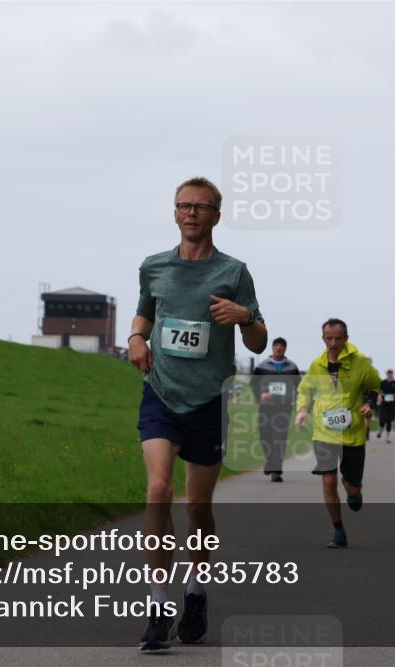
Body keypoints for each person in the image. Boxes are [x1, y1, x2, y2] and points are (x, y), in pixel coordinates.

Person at [129, 176, 267, 651]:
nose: (191, 213)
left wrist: (244, 317)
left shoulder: (234, 271)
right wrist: (134, 339)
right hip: (161, 396)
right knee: (158, 489)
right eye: (183, 206)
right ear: (174, 213)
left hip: (209, 400)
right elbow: (145, 313)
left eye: (201, 207)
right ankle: (158, 605)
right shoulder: (154, 266)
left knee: (198, 508)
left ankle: (196, 592)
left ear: (216, 215)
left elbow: (258, 339)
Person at [294, 319, 380, 548]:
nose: (333, 343)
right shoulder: (316, 365)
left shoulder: (360, 362)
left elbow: (374, 385)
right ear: (323, 339)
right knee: (328, 480)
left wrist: (369, 404)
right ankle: (338, 531)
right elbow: (305, 391)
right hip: (323, 432)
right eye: (328, 338)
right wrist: (302, 411)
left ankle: (353, 489)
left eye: (338, 338)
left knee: (352, 487)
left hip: (352, 432)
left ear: (346, 339)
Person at [250, 337, 300, 482]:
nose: (279, 348)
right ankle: (270, 461)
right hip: (266, 407)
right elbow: (253, 385)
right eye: (276, 345)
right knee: (265, 436)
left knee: (279, 438)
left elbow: (299, 387)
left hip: (284, 408)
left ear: (285, 348)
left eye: (282, 346)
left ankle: (276, 471)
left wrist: (297, 403)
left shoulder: (292, 368)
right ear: (272, 348)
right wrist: (261, 395)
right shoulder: (262, 366)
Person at [375, 369, 395, 443]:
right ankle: (380, 430)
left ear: (393, 374)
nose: (390, 374)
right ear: (387, 374)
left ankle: (387, 437)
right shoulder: (383, 382)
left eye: (391, 373)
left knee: (389, 421)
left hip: (392, 404)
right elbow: (379, 392)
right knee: (382, 419)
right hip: (384, 404)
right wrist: (380, 397)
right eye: (388, 373)